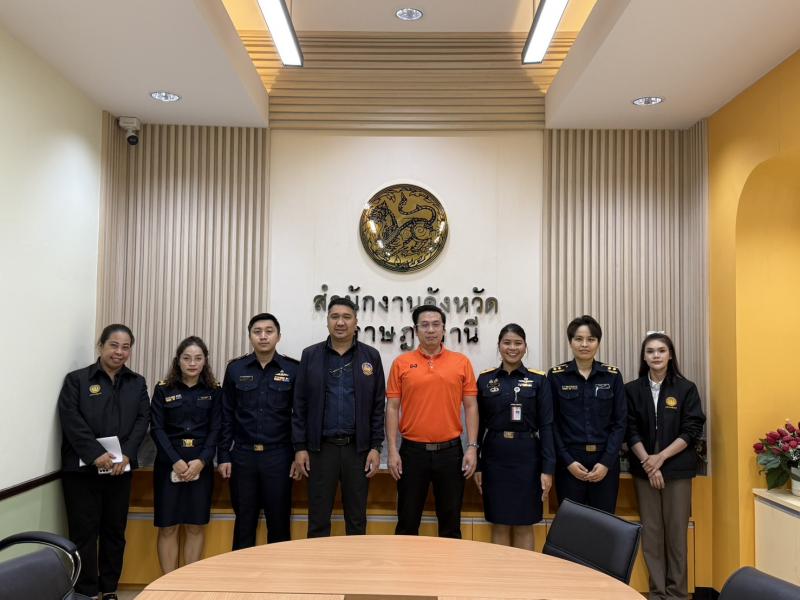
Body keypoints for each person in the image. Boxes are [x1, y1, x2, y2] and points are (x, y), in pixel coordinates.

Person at [58, 324, 150, 600]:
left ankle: (109, 589)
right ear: (101, 346)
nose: (119, 352)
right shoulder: (77, 380)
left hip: (119, 471)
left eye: (125, 347)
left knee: (114, 532)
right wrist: (94, 453)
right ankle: (86, 591)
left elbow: (142, 420)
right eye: (114, 345)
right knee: (84, 533)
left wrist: (127, 455)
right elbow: (70, 418)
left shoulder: (137, 382)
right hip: (82, 472)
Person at [292, 297, 386, 536]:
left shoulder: (371, 356)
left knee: (356, 520)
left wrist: (376, 447)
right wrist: (300, 447)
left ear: (356, 322)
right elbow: (299, 405)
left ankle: (355, 562)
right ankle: (318, 561)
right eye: (335, 317)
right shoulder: (310, 355)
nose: (340, 322)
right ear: (327, 321)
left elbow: (378, 407)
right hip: (320, 450)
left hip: (358, 450)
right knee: (318, 520)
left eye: (346, 317)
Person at [386, 304, 479, 538]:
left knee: (450, 524)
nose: (430, 330)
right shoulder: (401, 363)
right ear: (415, 330)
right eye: (425, 325)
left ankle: (450, 563)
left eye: (436, 325)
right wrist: (392, 451)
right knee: (407, 522)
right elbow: (392, 408)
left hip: (450, 453)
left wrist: (472, 446)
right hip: (411, 453)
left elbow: (471, 406)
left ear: (444, 329)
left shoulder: (461, 362)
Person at [626, 332, 706, 600]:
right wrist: (649, 463)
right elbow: (629, 430)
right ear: (644, 357)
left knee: (676, 535)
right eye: (650, 351)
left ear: (670, 355)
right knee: (651, 534)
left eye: (661, 350)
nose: (656, 355)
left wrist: (659, 458)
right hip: (644, 470)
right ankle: (657, 593)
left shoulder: (686, 389)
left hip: (677, 471)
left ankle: (677, 594)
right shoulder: (632, 389)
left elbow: (692, 429)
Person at [217, 313, 298, 548]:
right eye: (257, 331)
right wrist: (224, 455)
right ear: (250, 336)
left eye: (269, 331)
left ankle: (278, 573)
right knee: (244, 522)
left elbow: (299, 417)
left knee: (279, 523)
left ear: (278, 336)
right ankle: (241, 573)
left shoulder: (293, 369)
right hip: (243, 456)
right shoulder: (235, 369)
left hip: (279, 456)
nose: (263, 336)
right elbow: (226, 415)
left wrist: (298, 453)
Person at [475, 324, 555, 550]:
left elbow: (547, 426)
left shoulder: (539, 380)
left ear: (525, 347)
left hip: (528, 457)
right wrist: (478, 466)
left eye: (518, 343)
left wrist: (547, 469)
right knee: (499, 523)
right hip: (495, 457)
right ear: (499, 346)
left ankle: (524, 573)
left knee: (524, 524)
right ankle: (500, 573)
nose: (512, 348)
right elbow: (477, 426)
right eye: (507, 343)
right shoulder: (485, 379)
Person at [150, 336, 222, 573]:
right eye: (187, 358)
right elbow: (157, 429)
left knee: (195, 526)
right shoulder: (163, 389)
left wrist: (202, 461)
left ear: (205, 361)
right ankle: (168, 585)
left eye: (198, 358)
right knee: (168, 527)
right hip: (168, 464)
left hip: (200, 465)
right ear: (178, 360)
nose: (192, 363)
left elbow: (216, 429)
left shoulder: (214, 391)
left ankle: (188, 583)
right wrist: (175, 461)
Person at [548, 315, 625, 513]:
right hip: (570, 460)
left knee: (604, 522)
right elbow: (552, 423)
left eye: (590, 339)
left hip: (605, 459)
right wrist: (568, 462)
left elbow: (620, 422)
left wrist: (606, 462)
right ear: (570, 342)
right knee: (571, 523)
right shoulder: (556, 376)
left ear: (598, 342)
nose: (584, 344)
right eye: (578, 339)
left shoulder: (612, 375)